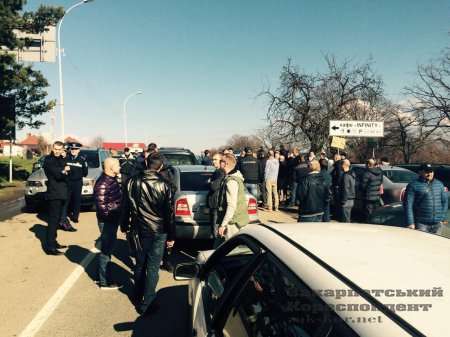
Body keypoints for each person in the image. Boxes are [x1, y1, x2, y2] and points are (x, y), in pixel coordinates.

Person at [121, 154, 175, 316]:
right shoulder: (165, 185)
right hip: (159, 231)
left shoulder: (131, 181)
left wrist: (123, 225)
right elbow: (169, 214)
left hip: (138, 230)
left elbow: (125, 207)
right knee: (152, 268)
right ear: (160, 167)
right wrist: (172, 236)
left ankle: (138, 293)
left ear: (145, 163)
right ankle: (147, 303)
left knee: (140, 264)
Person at [93, 158, 123, 289]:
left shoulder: (111, 179)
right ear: (111, 167)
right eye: (118, 165)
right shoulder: (103, 183)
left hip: (111, 220)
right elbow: (102, 207)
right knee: (106, 251)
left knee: (107, 249)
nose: (120, 167)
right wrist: (116, 207)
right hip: (107, 222)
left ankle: (101, 276)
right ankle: (105, 282)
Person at [43, 141, 71, 255]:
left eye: (60, 149)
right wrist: (64, 171)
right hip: (54, 193)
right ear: (52, 148)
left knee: (57, 219)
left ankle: (54, 242)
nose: (57, 151)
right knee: (53, 220)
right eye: (56, 149)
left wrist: (65, 169)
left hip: (62, 193)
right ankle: (49, 247)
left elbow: (68, 172)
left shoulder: (60, 159)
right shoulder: (49, 161)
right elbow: (59, 175)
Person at [404, 163, 448, 234]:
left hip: (437, 224)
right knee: (421, 244)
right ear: (420, 172)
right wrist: (410, 222)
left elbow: (444, 202)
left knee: (436, 244)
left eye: (431, 171)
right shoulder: (413, 185)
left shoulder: (439, 184)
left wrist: (442, 218)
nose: (429, 174)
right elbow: (408, 205)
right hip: (421, 224)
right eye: (426, 171)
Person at [217, 154, 249, 245]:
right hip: (232, 220)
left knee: (229, 249)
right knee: (218, 248)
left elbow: (231, 205)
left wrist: (223, 224)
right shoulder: (234, 176)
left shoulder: (231, 181)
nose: (219, 163)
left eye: (220, 161)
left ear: (226, 164)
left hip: (232, 223)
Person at [61, 142, 88, 226]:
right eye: (72, 149)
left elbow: (85, 173)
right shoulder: (66, 159)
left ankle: (75, 217)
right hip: (67, 182)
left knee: (77, 200)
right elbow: (62, 170)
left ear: (78, 150)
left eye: (75, 149)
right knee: (66, 199)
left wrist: (76, 174)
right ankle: (64, 216)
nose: (73, 151)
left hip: (77, 183)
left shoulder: (82, 160)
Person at [207, 153, 226, 241]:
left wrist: (211, 182)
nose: (213, 161)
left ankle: (217, 250)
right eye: (213, 159)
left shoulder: (221, 172)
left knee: (216, 231)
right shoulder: (216, 171)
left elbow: (214, 187)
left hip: (216, 204)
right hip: (213, 203)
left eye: (215, 159)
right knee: (213, 229)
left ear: (221, 160)